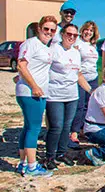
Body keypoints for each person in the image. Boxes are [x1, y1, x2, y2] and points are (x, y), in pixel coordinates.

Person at [43, 24, 92, 170]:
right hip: (55, 95)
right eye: (69, 34)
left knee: (67, 126)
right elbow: (42, 68)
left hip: (71, 95)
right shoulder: (53, 49)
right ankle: (49, 156)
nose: (71, 37)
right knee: (56, 126)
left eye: (75, 35)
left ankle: (62, 153)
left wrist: (91, 91)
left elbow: (78, 75)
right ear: (62, 34)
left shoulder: (76, 53)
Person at [15, 15, 57, 176]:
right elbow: (21, 65)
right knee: (34, 128)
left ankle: (23, 162)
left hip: (38, 91)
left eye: (52, 30)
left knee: (27, 127)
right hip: (31, 92)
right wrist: (34, 86)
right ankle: (32, 166)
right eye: (46, 28)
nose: (49, 32)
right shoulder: (31, 43)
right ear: (39, 28)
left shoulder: (46, 47)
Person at [69, 21, 100, 148]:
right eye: (87, 30)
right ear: (82, 30)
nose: (88, 32)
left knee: (89, 106)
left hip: (93, 77)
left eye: (91, 31)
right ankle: (74, 132)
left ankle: (83, 129)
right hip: (81, 78)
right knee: (79, 106)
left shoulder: (93, 45)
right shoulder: (78, 44)